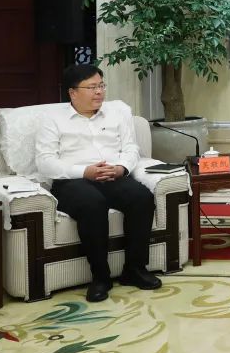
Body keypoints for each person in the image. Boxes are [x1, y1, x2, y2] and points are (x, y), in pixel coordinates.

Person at [34, 64, 162, 303]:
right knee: (93, 204)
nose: (99, 92)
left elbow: (131, 148)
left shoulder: (117, 113)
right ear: (73, 92)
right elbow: (45, 162)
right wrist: (85, 171)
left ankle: (134, 269)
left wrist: (121, 168)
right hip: (72, 180)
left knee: (141, 198)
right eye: (92, 87)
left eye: (101, 85)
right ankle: (101, 277)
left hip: (112, 175)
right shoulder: (52, 119)